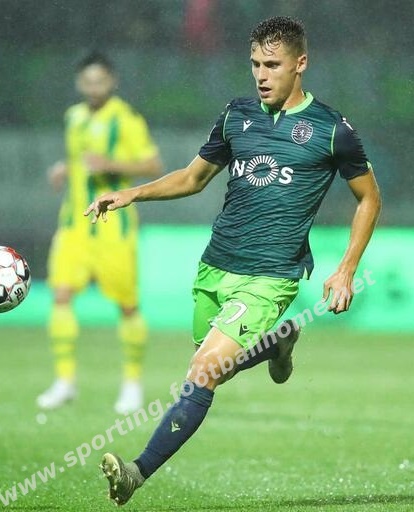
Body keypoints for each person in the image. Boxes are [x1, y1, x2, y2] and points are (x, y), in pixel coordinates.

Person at [85, 17, 381, 506]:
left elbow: (369, 198)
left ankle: (136, 472)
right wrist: (132, 193)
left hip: (271, 276)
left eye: (273, 65)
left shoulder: (332, 130)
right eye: (255, 64)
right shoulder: (236, 114)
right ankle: (275, 346)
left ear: (301, 64)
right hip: (216, 265)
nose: (261, 75)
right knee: (214, 369)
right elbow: (192, 178)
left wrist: (346, 268)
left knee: (202, 371)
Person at [37, 52, 162, 414]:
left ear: (112, 81)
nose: (94, 88)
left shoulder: (125, 119)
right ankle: (64, 381)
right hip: (73, 225)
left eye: (100, 81)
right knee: (61, 296)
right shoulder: (73, 117)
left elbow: (153, 164)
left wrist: (111, 164)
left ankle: (132, 385)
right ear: (80, 83)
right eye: (88, 81)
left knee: (127, 306)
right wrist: (65, 168)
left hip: (113, 228)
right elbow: (80, 159)